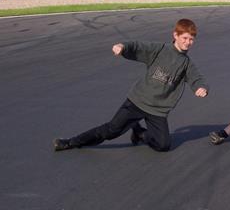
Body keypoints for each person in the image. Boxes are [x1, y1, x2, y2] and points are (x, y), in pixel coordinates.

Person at [53, 18, 209, 152]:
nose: (188, 43)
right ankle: (70, 142)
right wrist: (123, 47)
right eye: (185, 38)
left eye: (191, 39)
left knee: (164, 145)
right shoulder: (160, 50)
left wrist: (201, 88)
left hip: (157, 110)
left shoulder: (186, 63)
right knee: (111, 131)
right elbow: (139, 46)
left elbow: (196, 78)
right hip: (137, 102)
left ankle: (140, 133)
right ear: (175, 35)